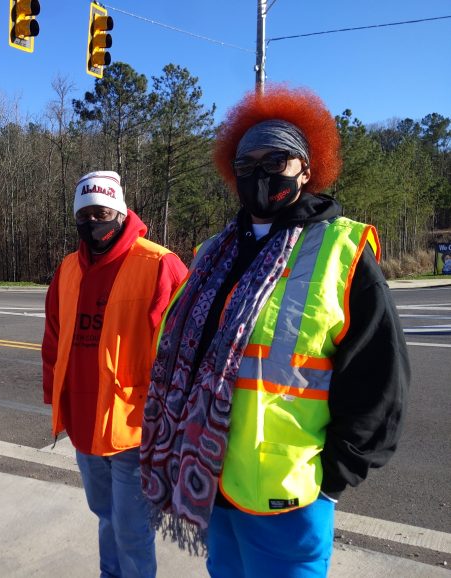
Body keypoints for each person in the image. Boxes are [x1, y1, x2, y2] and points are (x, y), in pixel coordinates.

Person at [140, 86, 409, 577]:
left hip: (289, 498)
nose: (260, 174)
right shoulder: (212, 254)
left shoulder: (341, 251)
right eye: (247, 166)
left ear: (305, 169)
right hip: (212, 485)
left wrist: (333, 480)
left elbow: (381, 381)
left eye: (276, 161)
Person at [42, 170, 188, 578]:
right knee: (105, 516)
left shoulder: (159, 264)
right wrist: (55, 398)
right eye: (84, 216)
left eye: (102, 213)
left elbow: (186, 353)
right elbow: (54, 339)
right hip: (85, 424)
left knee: (131, 528)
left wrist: (176, 424)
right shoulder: (68, 269)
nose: (94, 224)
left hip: (134, 429)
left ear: (120, 212)